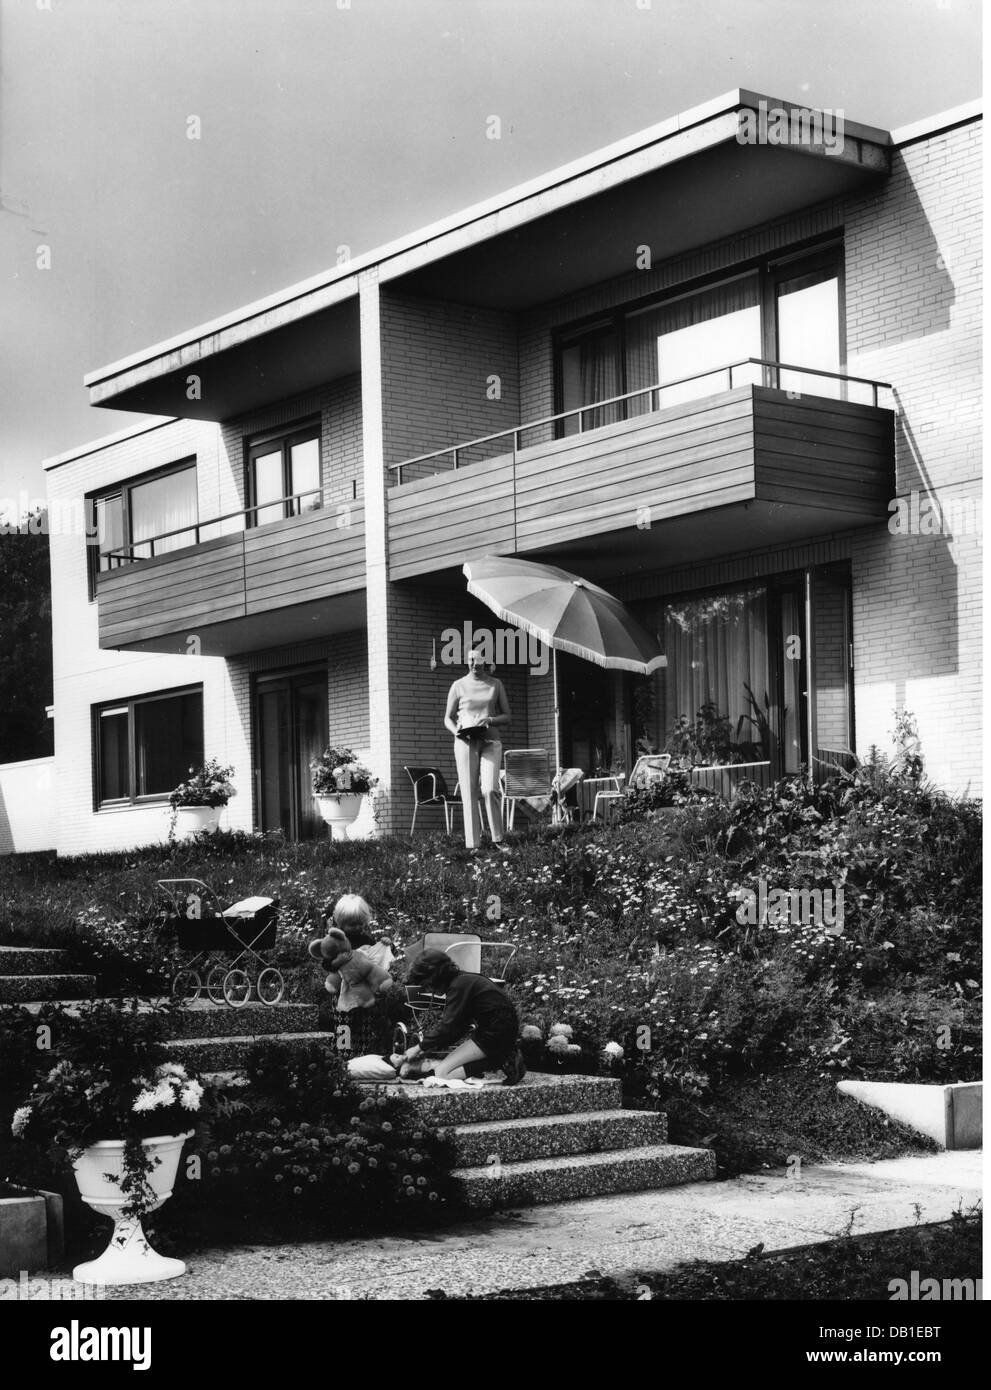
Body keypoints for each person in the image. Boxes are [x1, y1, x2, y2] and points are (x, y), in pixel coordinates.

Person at [395, 949, 526, 1085]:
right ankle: (502, 1057)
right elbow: (457, 1028)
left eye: (426, 985)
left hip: (494, 1035)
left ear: (434, 977)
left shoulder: (459, 986)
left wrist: (418, 1048)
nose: (428, 990)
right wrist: (428, 1048)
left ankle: (502, 1059)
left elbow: (447, 1026)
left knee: (442, 1074)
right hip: (497, 1032)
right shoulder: (463, 981)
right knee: (446, 1069)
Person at [444, 645, 511, 851]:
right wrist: (456, 731)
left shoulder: (495, 684)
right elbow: (447, 718)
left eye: (479, 660)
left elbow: (507, 716)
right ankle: (473, 844)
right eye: (471, 660)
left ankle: (498, 839)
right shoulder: (458, 685)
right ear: (467, 661)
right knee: (469, 791)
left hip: (490, 741)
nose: (475, 664)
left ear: (486, 662)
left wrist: (489, 719)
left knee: (490, 789)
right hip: (465, 742)